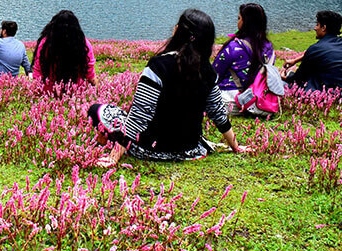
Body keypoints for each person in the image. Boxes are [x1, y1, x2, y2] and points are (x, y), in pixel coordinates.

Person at [88, 9, 246, 167]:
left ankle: (106, 138)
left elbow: (139, 116)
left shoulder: (158, 66)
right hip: (191, 149)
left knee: (97, 110)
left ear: (180, 32)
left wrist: (113, 157)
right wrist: (236, 147)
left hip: (151, 148)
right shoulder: (207, 71)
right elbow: (218, 114)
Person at [213, 3, 275, 114]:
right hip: (256, 101)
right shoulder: (268, 48)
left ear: (245, 22)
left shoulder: (233, 47)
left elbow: (214, 75)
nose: (238, 22)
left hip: (230, 102)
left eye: (239, 18)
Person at [281, 10, 342, 93]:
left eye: (317, 25)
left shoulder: (315, 48)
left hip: (327, 93)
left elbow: (299, 77)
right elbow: (318, 53)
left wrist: (284, 78)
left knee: (280, 83)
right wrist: (295, 60)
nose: (315, 28)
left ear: (324, 28)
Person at [32, 10, 96, 86]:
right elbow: (90, 73)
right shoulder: (83, 43)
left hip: (48, 91)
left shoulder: (46, 43)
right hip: (76, 92)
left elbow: (38, 71)